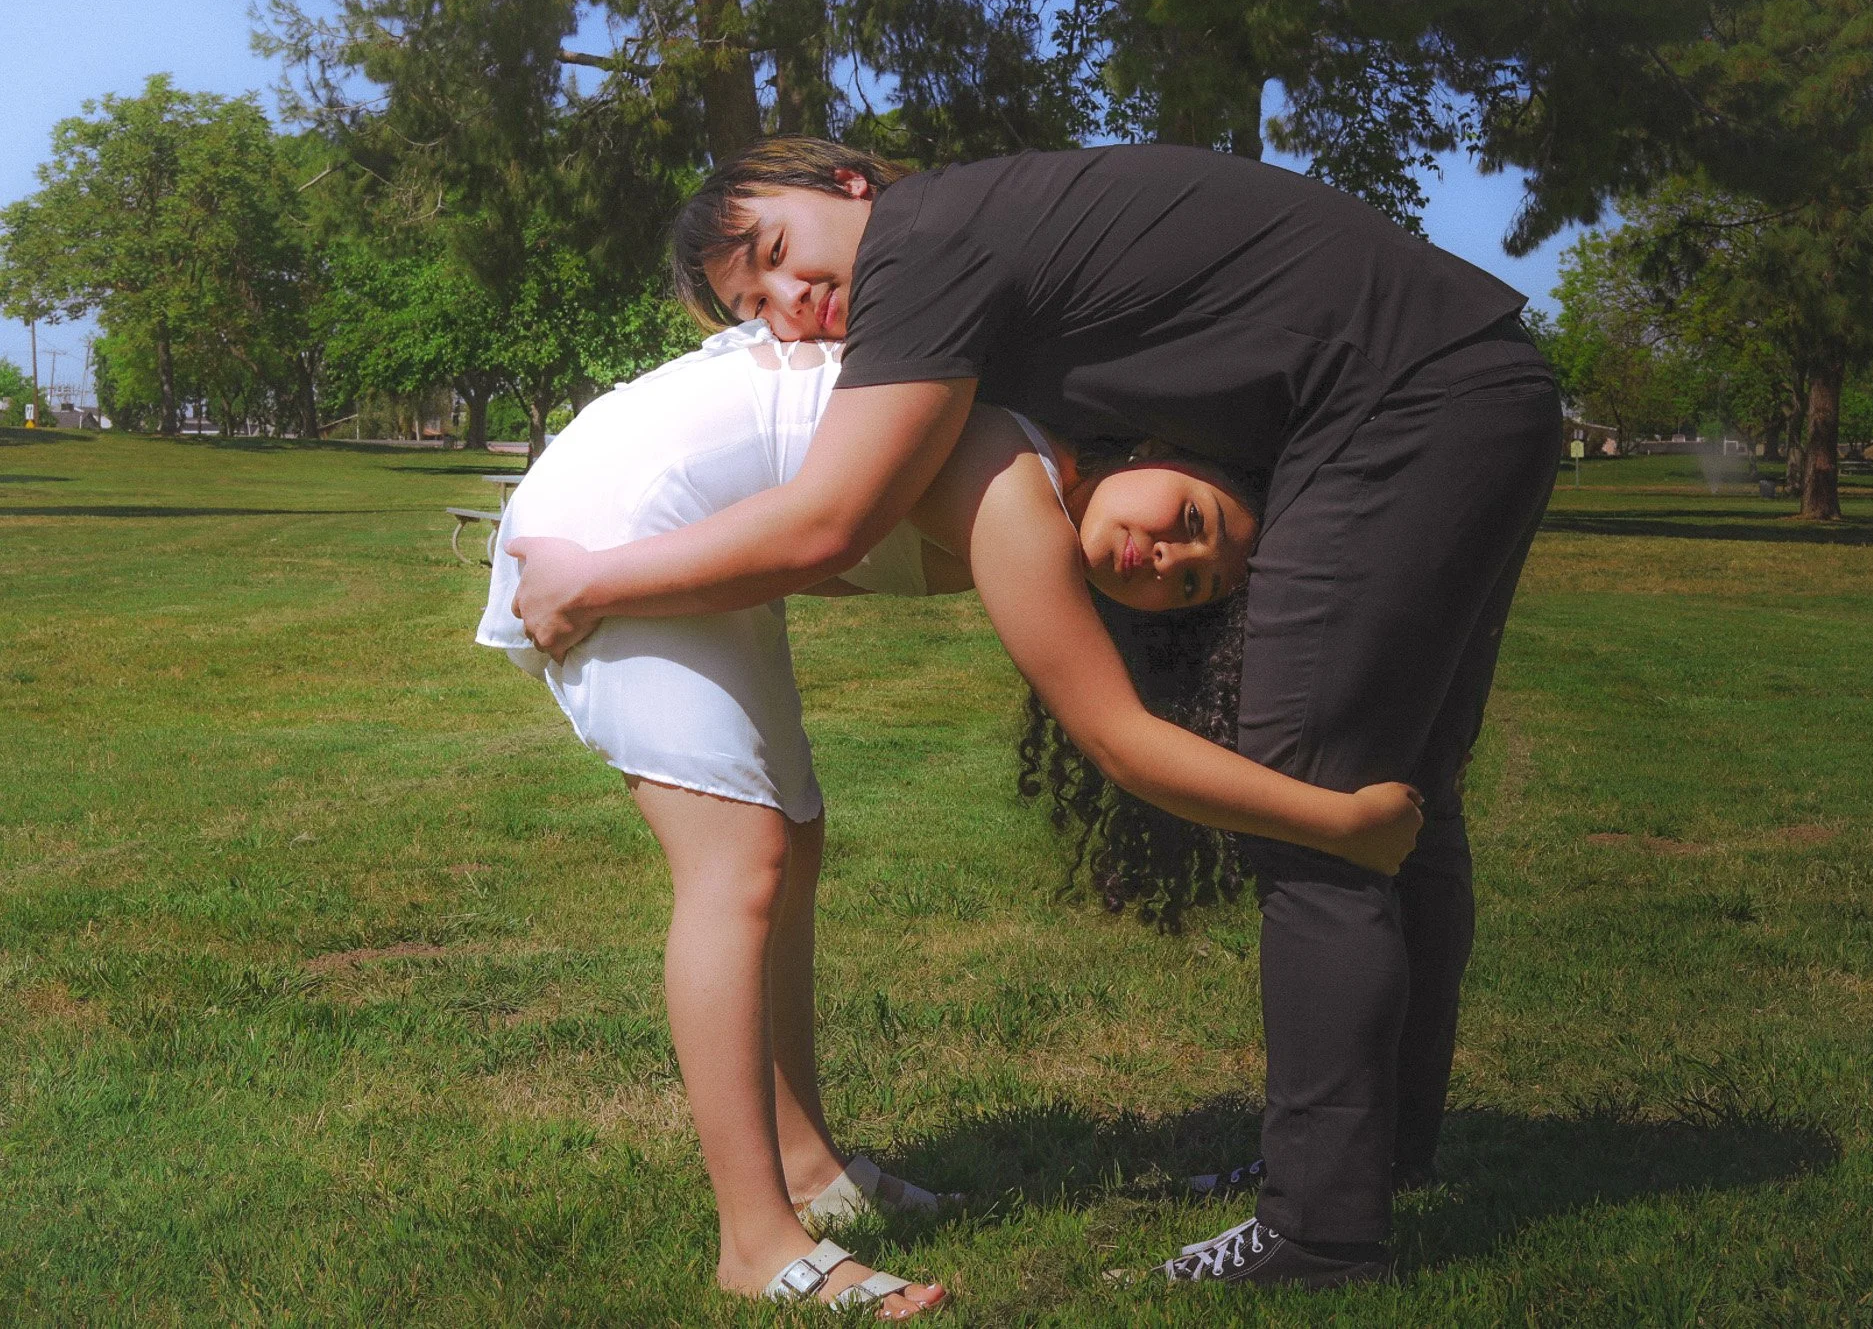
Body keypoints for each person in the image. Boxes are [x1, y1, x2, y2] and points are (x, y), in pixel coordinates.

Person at [509, 136, 1561, 1289]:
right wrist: (584, 579)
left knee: (1331, 798)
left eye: (774, 256)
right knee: (1340, 806)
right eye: (753, 304)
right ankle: (1342, 1194)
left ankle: (1331, 1202)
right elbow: (829, 535)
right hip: (1468, 383)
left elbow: (829, 533)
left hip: (1402, 403)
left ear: (846, 185)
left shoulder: (922, 242)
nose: (792, 310)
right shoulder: (982, 330)